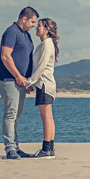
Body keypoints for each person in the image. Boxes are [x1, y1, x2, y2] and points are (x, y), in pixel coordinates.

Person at [0, 6, 38, 159]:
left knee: (16, 115)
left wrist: (27, 82)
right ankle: (10, 149)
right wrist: (18, 76)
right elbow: (5, 56)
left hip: (21, 82)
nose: (34, 25)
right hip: (9, 80)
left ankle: (16, 147)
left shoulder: (26, 35)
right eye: (33, 22)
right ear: (24, 18)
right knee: (10, 114)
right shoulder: (11, 32)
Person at [26, 17, 59, 159]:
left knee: (46, 117)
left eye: (39, 26)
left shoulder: (47, 44)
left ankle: (46, 149)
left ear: (47, 29)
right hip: (46, 84)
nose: (36, 28)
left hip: (45, 84)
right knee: (48, 117)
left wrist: (29, 82)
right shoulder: (46, 44)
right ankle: (50, 149)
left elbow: (41, 66)